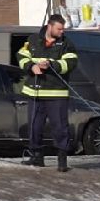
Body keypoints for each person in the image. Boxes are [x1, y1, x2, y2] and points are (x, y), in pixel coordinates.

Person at [17, 14, 78, 172]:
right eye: (59, 29)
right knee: (35, 126)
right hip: (35, 93)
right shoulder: (33, 40)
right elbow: (21, 56)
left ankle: (62, 160)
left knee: (60, 127)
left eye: (63, 29)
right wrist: (31, 66)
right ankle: (36, 157)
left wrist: (51, 64)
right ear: (50, 26)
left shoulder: (66, 44)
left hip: (56, 93)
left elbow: (70, 63)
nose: (62, 32)